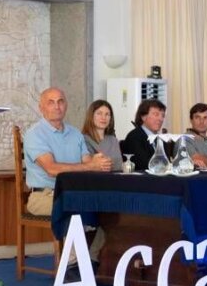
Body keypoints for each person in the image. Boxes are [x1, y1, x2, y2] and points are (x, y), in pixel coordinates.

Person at [23, 88, 111, 216]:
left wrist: (100, 162)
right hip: (44, 196)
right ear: (41, 108)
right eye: (51, 102)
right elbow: (51, 169)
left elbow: (88, 162)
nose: (57, 106)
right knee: (82, 208)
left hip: (74, 193)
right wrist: (91, 166)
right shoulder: (35, 134)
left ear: (66, 106)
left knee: (109, 206)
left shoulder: (75, 133)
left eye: (60, 101)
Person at [120, 99, 174, 171]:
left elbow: (167, 164)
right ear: (143, 117)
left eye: (163, 115)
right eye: (156, 114)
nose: (160, 119)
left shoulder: (162, 139)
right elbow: (143, 164)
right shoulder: (134, 137)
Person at [81, 99, 122, 172]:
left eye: (107, 114)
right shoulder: (82, 139)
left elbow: (119, 165)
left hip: (114, 177)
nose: (103, 118)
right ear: (91, 116)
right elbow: (90, 166)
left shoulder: (113, 140)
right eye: (99, 113)